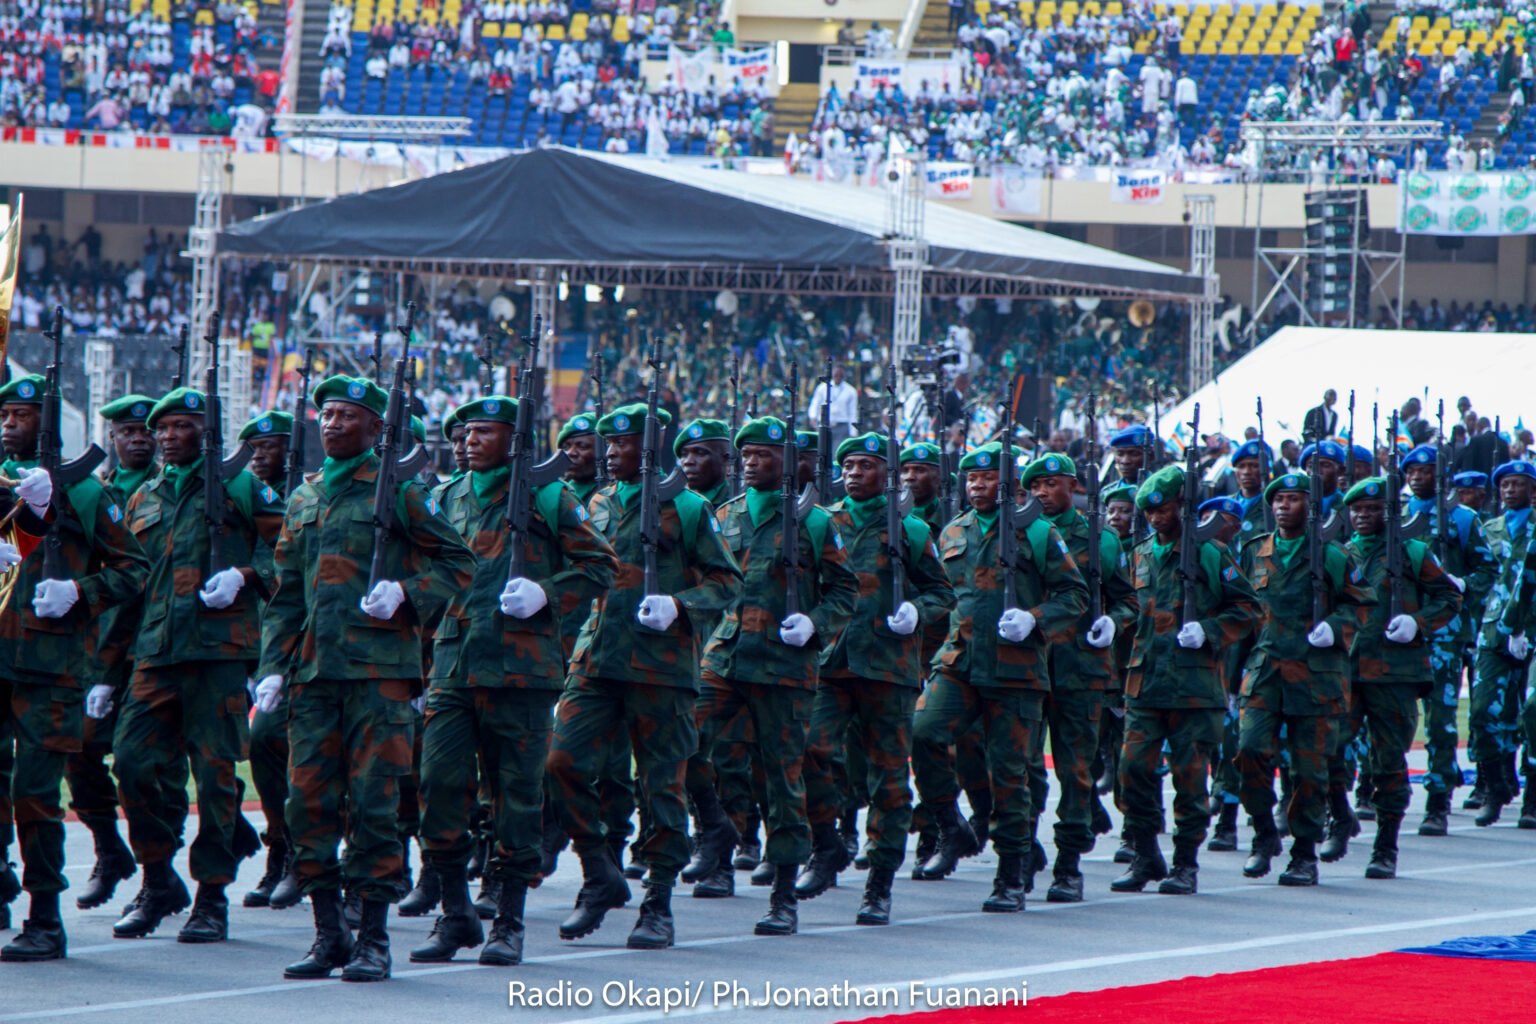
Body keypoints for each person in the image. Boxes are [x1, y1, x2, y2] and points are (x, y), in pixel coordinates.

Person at [254, 374, 475, 982]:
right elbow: (285, 596)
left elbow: (459, 563)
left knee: (375, 803)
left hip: (379, 676)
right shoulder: (303, 499)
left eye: (347, 415)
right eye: (325, 414)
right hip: (313, 677)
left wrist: (407, 592)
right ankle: (330, 934)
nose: (332, 424)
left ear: (378, 429)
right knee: (308, 806)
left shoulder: (400, 490)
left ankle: (373, 937)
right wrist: (273, 667)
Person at [412, 396, 616, 967]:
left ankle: (508, 919)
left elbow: (600, 566)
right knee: (438, 788)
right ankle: (455, 913)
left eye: (484, 432)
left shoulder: (548, 494)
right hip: (453, 666)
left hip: (522, 673)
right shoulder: (447, 496)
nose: (469, 441)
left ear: (513, 439)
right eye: (467, 432)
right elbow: (425, 568)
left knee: (517, 802)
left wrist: (545, 594)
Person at [545, 401, 740, 951]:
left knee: (661, 787)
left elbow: (728, 584)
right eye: (606, 444)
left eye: (621, 444)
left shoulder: (689, 506)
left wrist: (681, 605)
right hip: (597, 659)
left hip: (661, 668)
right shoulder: (601, 500)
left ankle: (657, 901)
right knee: (560, 762)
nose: (609, 454)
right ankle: (597, 870)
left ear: (650, 449)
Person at [110, 387, 286, 943]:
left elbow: (288, 550)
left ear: (205, 432)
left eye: (178, 427)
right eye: (160, 430)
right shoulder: (145, 497)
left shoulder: (239, 485)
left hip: (218, 653)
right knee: (134, 763)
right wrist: (102, 669)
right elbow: (131, 580)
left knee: (213, 778)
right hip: (155, 652)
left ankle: (212, 895)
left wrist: (246, 576)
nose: (164, 437)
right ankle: (159, 878)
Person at [686, 416, 856, 933]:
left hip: (784, 665)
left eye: (764, 455)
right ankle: (715, 828)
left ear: (788, 461)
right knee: (682, 738)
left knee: (781, 777)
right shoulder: (725, 514)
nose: (753, 463)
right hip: (726, 655)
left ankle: (784, 894)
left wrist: (816, 622)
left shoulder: (816, 520)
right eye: (748, 455)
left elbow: (844, 590)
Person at [0, 375, 149, 962]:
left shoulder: (85, 492)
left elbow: (134, 570)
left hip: (51, 666)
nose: (10, 423)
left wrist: (80, 593)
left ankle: (44, 916)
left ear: (49, 421)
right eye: (5, 413)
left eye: (23, 414)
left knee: (36, 794)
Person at [910, 442, 1088, 912]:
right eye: (970, 479)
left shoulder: (1039, 532)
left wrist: (1035, 618)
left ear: (1008, 484)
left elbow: (1074, 596)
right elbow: (942, 595)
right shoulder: (953, 531)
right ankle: (950, 823)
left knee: (1010, 776)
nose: (977, 486)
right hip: (960, 663)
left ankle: (1011, 873)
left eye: (987, 478)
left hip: (1016, 671)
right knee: (923, 732)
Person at [798, 430, 952, 925]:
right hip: (834, 662)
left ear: (887, 476)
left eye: (865, 467)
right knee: (811, 752)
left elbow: (941, 593)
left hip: (888, 667)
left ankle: (879, 882)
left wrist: (916, 609)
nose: (854, 474)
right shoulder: (823, 521)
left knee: (888, 779)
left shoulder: (910, 529)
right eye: (849, 467)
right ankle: (826, 844)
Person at [1114, 466, 1259, 896]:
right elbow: (1127, 615)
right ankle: (1144, 853)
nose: (1157, 519)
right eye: (1150, 512)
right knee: (1132, 770)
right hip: (1144, 683)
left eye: (1165, 510)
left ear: (1183, 506)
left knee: (1189, 779)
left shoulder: (1209, 553)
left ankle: (1185, 862)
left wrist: (1210, 631)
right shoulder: (1139, 554)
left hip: (1194, 687)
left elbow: (1249, 609)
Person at [1235, 471, 1374, 887]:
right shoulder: (1253, 551)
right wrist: (1228, 676)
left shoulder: (1331, 556)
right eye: (1278, 500)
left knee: (1309, 770)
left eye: (1293, 499)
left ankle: (1303, 852)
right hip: (1265, 671)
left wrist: (1336, 626)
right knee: (1249, 750)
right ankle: (1263, 832)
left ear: (1310, 507)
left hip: (1316, 676)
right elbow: (1239, 611)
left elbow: (1362, 605)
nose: (1282, 506)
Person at [1332, 477, 1459, 878]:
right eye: (1357, 510)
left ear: (1389, 513)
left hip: (1394, 675)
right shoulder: (1340, 554)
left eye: (1372, 510)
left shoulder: (1413, 552)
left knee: (1388, 762)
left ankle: (1385, 846)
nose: (1364, 516)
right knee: (1327, 752)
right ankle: (1340, 816)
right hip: (1346, 673)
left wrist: (1417, 622)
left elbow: (1450, 597)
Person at [1024, 454, 1137, 902]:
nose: (1040, 493)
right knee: (1023, 768)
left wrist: (1113, 621)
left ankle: (1068, 864)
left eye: (1050, 484)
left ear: (1073, 487)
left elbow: (1127, 599)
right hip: (1026, 667)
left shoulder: (1102, 539)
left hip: (1081, 668)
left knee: (1076, 771)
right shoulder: (1021, 532)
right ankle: (1022, 847)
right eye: (1034, 486)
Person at [66, 394, 160, 914]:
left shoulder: (169, 494)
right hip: (97, 649)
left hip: (152, 649)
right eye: (128, 431)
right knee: (79, 751)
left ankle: (160, 874)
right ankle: (109, 849)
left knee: (145, 766)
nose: (140, 438)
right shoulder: (92, 494)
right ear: (113, 440)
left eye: (148, 430)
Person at [1399, 445, 1495, 835]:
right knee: (1392, 716)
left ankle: (1437, 800)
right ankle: (1381, 786)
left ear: (1441, 476)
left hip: (1443, 630)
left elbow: (1488, 570)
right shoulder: (1399, 517)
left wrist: (1462, 584)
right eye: (1412, 472)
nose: (1418, 477)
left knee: (1440, 720)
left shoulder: (1463, 518)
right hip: (1401, 631)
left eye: (1426, 471)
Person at [1467, 460, 1536, 826]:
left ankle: (1533, 796)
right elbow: (1478, 577)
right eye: (1505, 484)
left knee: (1532, 710)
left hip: (1533, 628)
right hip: (1494, 630)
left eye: (1519, 484)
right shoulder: (1487, 529)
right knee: (1482, 712)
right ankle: (1495, 786)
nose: (1510, 490)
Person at [675, 419, 734, 508]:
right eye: (684, 454)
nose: (688, 461)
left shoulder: (737, 503)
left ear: (726, 459)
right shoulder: (676, 503)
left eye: (700, 453)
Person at [239, 411, 294, 492]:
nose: (256, 456)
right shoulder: (252, 491)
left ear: (290, 448)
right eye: (251, 448)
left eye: (267, 446)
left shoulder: (302, 494)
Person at [808, 364, 858, 445]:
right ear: (832, 374)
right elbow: (815, 404)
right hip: (825, 424)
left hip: (841, 426)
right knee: (823, 450)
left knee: (837, 452)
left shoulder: (851, 391)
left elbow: (852, 412)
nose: (838, 377)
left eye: (840, 375)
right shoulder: (822, 388)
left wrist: (853, 432)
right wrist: (813, 417)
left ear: (844, 375)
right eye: (836, 375)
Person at [557, 414, 600, 506]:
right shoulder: (557, 490)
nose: (570, 453)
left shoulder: (611, 492)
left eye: (582, 446)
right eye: (566, 447)